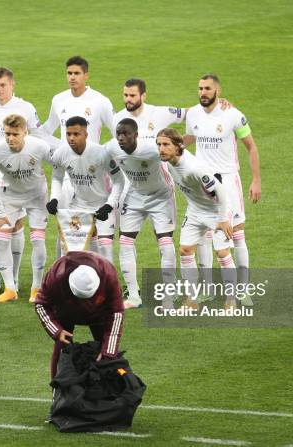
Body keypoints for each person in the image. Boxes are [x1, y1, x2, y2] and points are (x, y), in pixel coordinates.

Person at [184, 74, 261, 303]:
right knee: (204, 236)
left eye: (207, 88)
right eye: (200, 88)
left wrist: (256, 180)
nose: (202, 92)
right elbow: (188, 138)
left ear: (218, 90)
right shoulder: (193, 114)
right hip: (202, 184)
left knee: (236, 234)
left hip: (227, 182)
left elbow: (252, 148)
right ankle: (207, 289)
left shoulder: (233, 115)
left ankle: (243, 289)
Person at [157, 128, 238, 309]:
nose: (161, 149)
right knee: (185, 250)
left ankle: (231, 299)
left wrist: (224, 218)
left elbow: (220, 191)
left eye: (165, 145)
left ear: (178, 146)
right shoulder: (168, 161)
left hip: (217, 211)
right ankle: (191, 299)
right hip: (195, 210)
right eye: (159, 144)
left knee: (222, 253)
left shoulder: (194, 168)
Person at [105, 118, 177, 309]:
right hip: (135, 194)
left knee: (165, 242)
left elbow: (177, 154)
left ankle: (168, 298)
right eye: (118, 133)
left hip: (161, 196)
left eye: (125, 133)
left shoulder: (152, 149)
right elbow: (96, 157)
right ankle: (134, 296)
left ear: (136, 135)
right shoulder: (112, 147)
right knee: (126, 242)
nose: (121, 137)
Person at [42, 55, 116, 237]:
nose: (72, 77)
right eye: (69, 73)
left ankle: (95, 264)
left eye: (76, 73)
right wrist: (59, 149)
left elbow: (117, 133)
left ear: (86, 75)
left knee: (95, 229)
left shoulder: (100, 101)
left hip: (92, 173)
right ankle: (66, 264)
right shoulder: (58, 100)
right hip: (67, 171)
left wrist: (103, 152)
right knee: (66, 226)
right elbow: (46, 130)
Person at [0, 114, 51, 303]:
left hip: (37, 197)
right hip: (10, 197)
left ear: (25, 132)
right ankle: (10, 289)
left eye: (15, 134)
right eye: (7, 134)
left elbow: (58, 166)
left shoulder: (39, 147)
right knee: (1, 237)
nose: (10, 138)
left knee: (38, 240)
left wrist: (56, 196)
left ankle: (36, 289)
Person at [33, 251, 124, 379]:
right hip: (64, 310)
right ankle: (58, 392)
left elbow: (116, 314)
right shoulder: (56, 275)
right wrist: (56, 331)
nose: (83, 303)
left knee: (108, 356)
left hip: (99, 313)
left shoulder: (108, 275)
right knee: (62, 349)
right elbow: (41, 304)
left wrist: (108, 352)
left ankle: (109, 394)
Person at [47, 116, 124, 264]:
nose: (71, 138)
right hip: (78, 205)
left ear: (86, 135)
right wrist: (54, 198)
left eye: (76, 134)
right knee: (70, 248)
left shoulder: (102, 153)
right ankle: (69, 283)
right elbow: (57, 178)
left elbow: (119, 181)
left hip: (102, 205)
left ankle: (107, 285)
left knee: (105, 248)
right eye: (68, 134)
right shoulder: (60, 154)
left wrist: (109, 205)